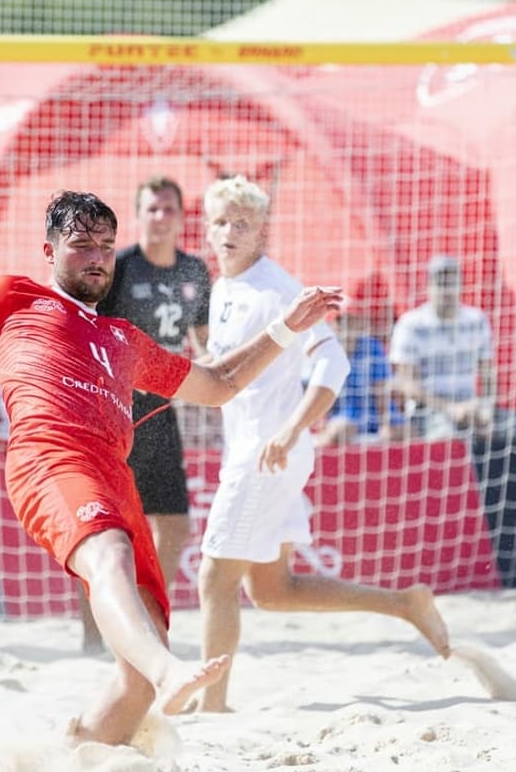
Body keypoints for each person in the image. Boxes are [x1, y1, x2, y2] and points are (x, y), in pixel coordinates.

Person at [0, 190, 342, 747]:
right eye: (81, 246)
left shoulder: (122, 337)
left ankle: (75, 764)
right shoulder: (10, 297)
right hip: (47, 458)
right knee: (112, 561)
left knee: (136, 676)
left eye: (104, 245)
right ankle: (169, 669)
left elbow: (219, 384)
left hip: (113, 474)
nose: (96, 257)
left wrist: (287, 327)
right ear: (48, 250)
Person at [194, 175, 452, 714]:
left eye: (242, 223)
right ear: (207, 228)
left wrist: (292, 430)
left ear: (263, 230)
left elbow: (334, 363)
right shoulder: (221, 288)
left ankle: (212, 707)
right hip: (252, 449)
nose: (229, 232)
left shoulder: (279, 289)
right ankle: (406, 604)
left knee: (216, 577)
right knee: (273, 591)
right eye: (220, 221)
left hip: (271, 451)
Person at [76, 176, 210, 654]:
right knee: (100, 524)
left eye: (167, 209)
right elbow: (85, 330)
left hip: (163, 410)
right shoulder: (121, 268)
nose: (160, 217)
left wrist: (217, 388)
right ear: (140, 216)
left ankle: (150, 620)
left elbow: (205, 345)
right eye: (151, 209)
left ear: (180, 216)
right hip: (111, 409)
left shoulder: (194, 270)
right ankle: (94, 637)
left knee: (172, 523)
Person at [388, 255, 496, 441]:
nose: (447, 290)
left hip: (471, 406)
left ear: (461, 286)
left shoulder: (476, 320)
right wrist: (450, 408)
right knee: (448, 440)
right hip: (427, 411)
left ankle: (501, 471)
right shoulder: (411, 325)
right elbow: (407, 385)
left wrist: (485, 408)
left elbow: (488, 373)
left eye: (452, 283)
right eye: (441, 283)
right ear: (428, 286)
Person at [317, 285, 401, 446]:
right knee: (339, 430)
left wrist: (385, 424)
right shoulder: (325, 351)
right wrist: (323, 425)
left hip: (376, 410)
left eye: (352, 320)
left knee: (408, 431)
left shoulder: (373, 348)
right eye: (342, 321)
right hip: (347, 413)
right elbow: (320, 394)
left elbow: (381, 389)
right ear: (333, 325)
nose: (348, 327)